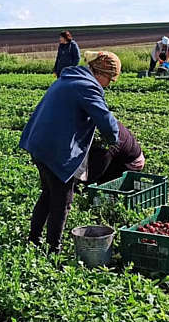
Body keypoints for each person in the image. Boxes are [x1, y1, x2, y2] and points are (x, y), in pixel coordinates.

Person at [19, 51, 122, 254]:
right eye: (110, 79)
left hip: (38, 143)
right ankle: (53, 250)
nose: (108, 84)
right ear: (100, 73)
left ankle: (34, 240)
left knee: (49, 193)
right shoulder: (87, 86)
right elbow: (105, 120)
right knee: (62, 201)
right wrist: (114, 140)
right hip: (54, 149)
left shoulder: (71, 78)